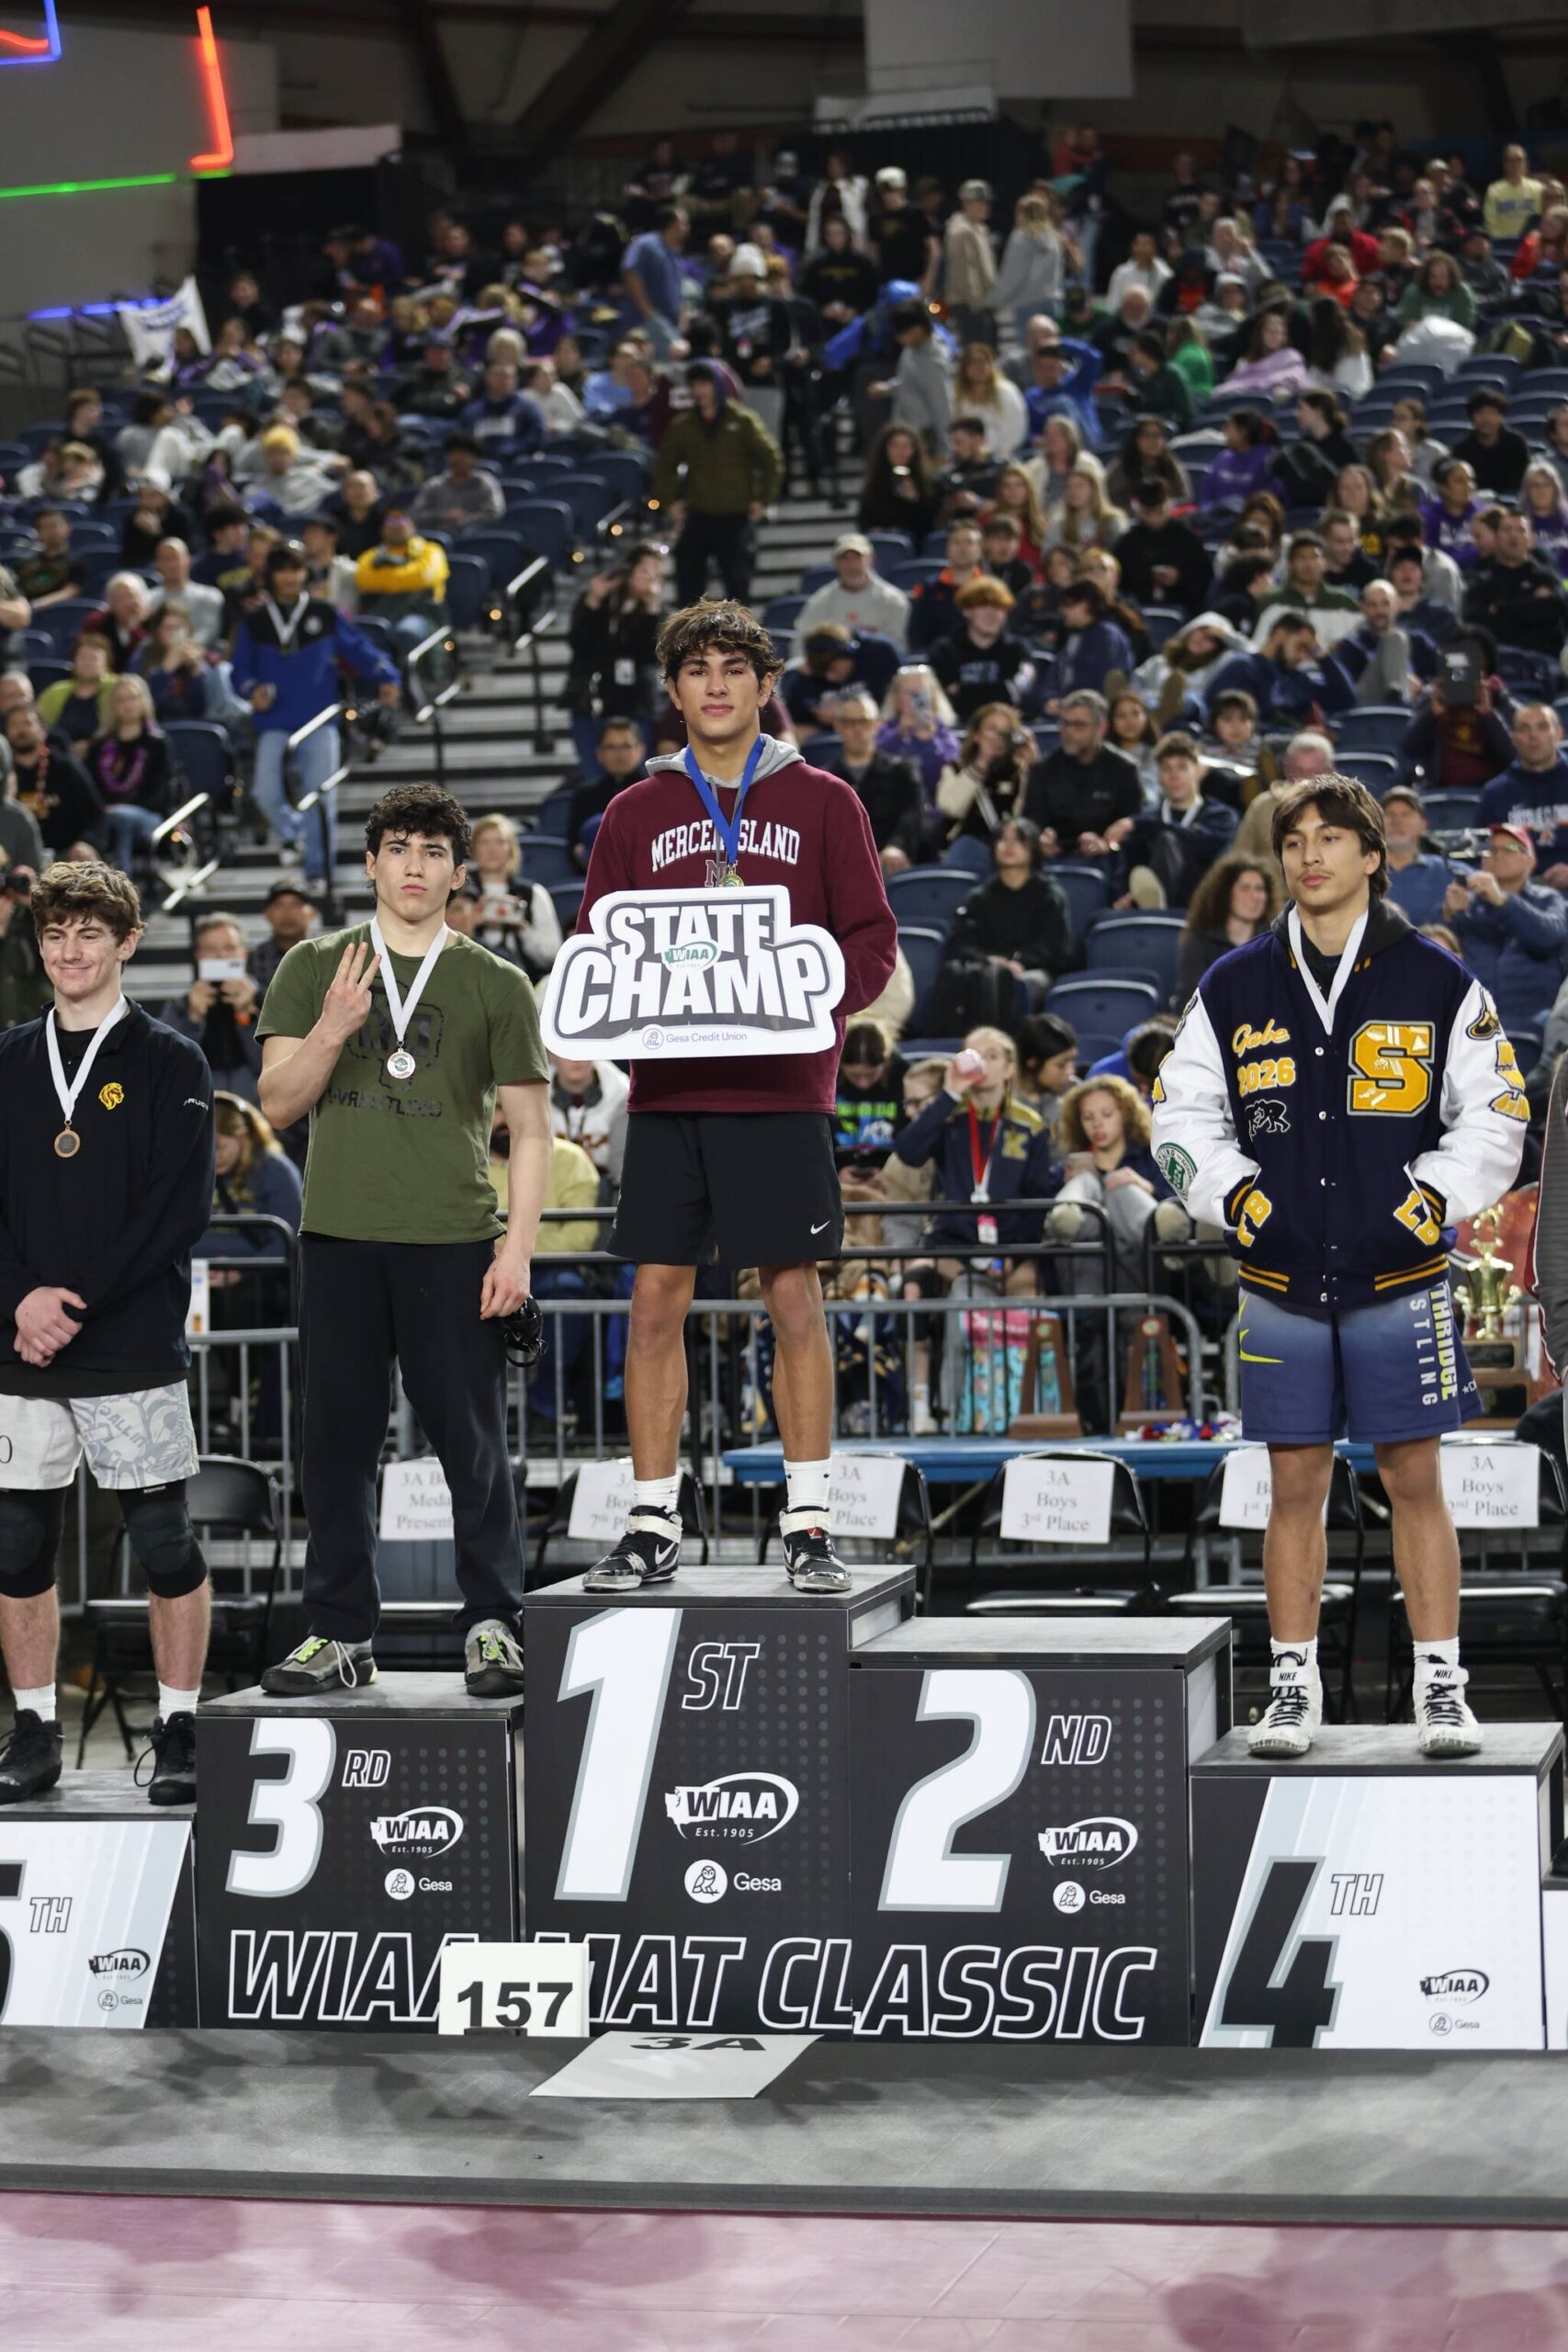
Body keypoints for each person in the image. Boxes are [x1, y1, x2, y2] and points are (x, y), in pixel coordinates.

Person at [1151, 775, 1528, 1758]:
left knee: (1415, 1478)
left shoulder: (1439, 980)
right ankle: (1292, 1686)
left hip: (1399, 1280)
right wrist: (1236, 1195)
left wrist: (1428, 1199)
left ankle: (1442, 1686)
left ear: (1374, 856)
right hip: (1278, 1284)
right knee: (1294, 1485)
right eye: (1294, 841)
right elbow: (1180, 1115)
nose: (1309, 855)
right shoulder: (1232, 982)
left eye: (1331, 838)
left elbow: (1498, 1116)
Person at [576, 600, 896, 1594]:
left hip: (782, 1089)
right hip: (669, 1095)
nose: (714, 685)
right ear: (673, 693)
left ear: (766, 687)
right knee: (655, 1299)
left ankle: (808, 1523)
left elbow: (872, 944)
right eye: (695, 670)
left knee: (793, 1295)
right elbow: (597, 949)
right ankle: (651, 1520)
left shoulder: (827, 801)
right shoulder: (633, 812)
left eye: (733, 668)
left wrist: (800, 1004)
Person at [255, 783, 552, 1695]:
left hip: (454, 1237)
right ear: (372, 861)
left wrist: (517, 1250)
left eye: (434, 851)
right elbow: (274, 1102)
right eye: (399, 848)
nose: (415, 865)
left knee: (471, 1443)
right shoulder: (313, 965)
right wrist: (335, 1029)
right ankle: (341, 1632)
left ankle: (493, 1622)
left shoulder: (495, 980)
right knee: (337, 1446)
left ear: (459, 873)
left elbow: (533, 1131)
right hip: (339, 1237)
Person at [0, 862, 215, 1804]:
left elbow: (178, 1210)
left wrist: (67, 1301)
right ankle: (35, 1732)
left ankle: (179, 1729)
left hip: (126, 1342)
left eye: (89, 933)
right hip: (19, 1349)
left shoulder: (173, 1061)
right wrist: (19, 1301)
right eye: (55, 935)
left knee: (165, 1540)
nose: (69, 951)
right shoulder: (8, 1056)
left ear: (126, 942)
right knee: (14, 1545)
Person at [231, 540, 400, 888]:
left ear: (305, 573)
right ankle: (294, 834)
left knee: (321, 797)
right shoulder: (256, 621)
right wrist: (251, 690)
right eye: (282, 570)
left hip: (320, 719)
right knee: (264, 791)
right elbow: (239, 670)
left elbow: (359, 649)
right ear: (271, 576)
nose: (290, 577)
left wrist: (386, 675)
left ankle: (316, 871)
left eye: (296, 569)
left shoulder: (324, 613)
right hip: (274, 720)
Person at [651, 362, 783, 607]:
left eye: (704, 383)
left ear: (718, 386)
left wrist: (764, 499)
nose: (698, 390)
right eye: (694, 385)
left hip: (735, 515)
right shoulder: (684, 425)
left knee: (738, 585)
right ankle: (687, 637)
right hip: (699, 513)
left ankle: (741, 639)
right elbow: (665, 464)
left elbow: (771, 459)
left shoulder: (742, 420)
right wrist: (668, 501)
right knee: (687, 583)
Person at [1441, 825, 1568, 1035]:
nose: (1498, 854)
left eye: (1510, 847)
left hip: (1534, 1023)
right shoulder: (1468, 906)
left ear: (1531, 861)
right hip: (1473, 1024)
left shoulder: (1548, 898)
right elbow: (1437, 956)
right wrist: (1448, 915)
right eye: (1491, 849)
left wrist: (1502, 901)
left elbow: (1549, 938)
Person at [942, 817, 1069, 994]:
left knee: (1020, 984)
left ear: (1033, 847)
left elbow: (1054, 948)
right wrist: (988, 960)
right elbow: (960, 943)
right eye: (1002, 839)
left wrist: (1019, 962)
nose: (1008, 846)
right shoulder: (978, 897)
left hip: (1032, 970)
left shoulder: (1048, 895)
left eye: (1018, 839)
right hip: (986, 966)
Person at [1114, 730, 1237, 910]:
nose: (1174, 776)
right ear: (1158, 776)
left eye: (1182, 767)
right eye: (1166, 768)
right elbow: (1129, 869)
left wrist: (1140, 825)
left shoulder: (1221, 816)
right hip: (1146, 911)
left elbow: (1204, 844)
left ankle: (1160, 905)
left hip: (1203, 911)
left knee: (1167, 840)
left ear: (1198, 771)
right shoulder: (1147, 819)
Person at [1022, 687, 1142, 860]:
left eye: (1079, 725)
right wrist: (1040, 839)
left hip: (1108, 860)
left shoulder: (1124, 769)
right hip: (1054, 857)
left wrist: (1107, 844)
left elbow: (1132, 824)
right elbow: (1031, 822)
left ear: (1101, 729)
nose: (1068, 732)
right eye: (1064, 723)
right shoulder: (1044, 769)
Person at [825, 688, 926, 875]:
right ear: (837, 726)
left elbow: (912, 814)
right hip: (841, 867)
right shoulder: (825, 780)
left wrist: (897, 846)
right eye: (849, 722)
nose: (857, 729)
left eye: (864, 721)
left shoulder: (902, 771)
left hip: (890, 862)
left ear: (876, 724)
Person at [87, 674, 172, 873]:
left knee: (122, 818)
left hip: (148, 816)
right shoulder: (99, 745)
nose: (128, 705)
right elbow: (89, 787)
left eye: (133, 698)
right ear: (112, 706)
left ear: (143, 702)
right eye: (121, 699)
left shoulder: (157, 744)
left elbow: (162, 792)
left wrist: (120, 808)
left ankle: (123, 881)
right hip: (105, 813)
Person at [468, 811, 563, 980]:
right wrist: (470, 922)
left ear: (511, 848)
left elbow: (552, 955)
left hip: (523, 979)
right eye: (485, 842)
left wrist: (522, 927)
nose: (492, 849)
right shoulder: (461, 891)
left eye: (500, 842)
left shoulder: (533, 893)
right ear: (474, 848)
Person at [1177, 854, 1278, 996]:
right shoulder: (1200, 942)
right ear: (1225, 894)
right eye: (1245, 888)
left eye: (1259, 889)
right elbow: (1191, 998)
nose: (1254, 896)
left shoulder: (1275, 945)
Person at [793, 533, 910, 652]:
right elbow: (801, 644)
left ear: (871, 560)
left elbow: (899, 645)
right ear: (835, 563)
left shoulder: (892, 599)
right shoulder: (819, 602)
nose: (851, 565)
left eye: (857, 558)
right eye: (845, 559)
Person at [936, 701, 1032, 846]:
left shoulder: (1019, 773)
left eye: (1005, 732)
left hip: (1009, 845)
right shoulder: (955, 769)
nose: (999, 737)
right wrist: (981, 764)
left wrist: (1034, 768)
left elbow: (1026, 817)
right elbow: (950, 808)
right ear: (977, 735)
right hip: (966, 844)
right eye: (992, 730)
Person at [1114, 478, 1213, 616]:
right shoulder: (1127, 543)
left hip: (1183, 605)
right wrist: (1147, 578)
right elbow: (1120, 583)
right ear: (1139, 510)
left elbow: (1204, 577)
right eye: (1148, 513)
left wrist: (1180, 577)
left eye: (1159, 511)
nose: (1154, 518)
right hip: (1138, 608)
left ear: (1169, 506)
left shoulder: (1187, 538)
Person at [566, 717, 646, 870]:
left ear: (640, 750)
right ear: (599, 753)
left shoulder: (655, 793)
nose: (619, 754)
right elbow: (573, 852)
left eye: (626, 746)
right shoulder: (584, 795)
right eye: (611, 747)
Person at [411, 430, 506, 536]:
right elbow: (416, 514)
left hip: (475, 539)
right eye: (454, 453)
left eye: (465, 454)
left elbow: (495, 513)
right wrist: (444, 516)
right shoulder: (435, 485)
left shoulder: (485, 483)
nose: (459, 459)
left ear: (475, 457)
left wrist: (464, 519)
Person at [248, 880, 318, 995]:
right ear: (266, 914)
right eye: (278, 905)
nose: (287, 913)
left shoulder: (328, 953)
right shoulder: (254, 958)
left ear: (312, 913)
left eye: (296, 904)